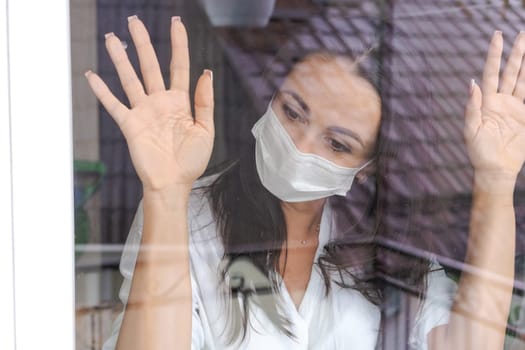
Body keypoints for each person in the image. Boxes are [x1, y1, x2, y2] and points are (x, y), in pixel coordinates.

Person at [85, 15, 525, 350]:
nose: (299, 146)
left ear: (369, 165)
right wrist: (163, 192)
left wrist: (496, 179)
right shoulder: (187, 214)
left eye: (337, 144)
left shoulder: (387, 243)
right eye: (292, 112)